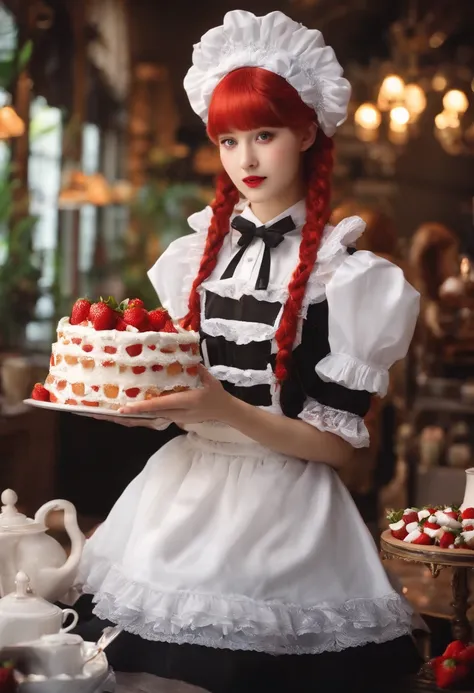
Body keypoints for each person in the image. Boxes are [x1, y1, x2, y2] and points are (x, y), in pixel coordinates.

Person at [75, 11, 421, 693]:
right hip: (175, 508)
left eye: (264, 134)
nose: (247, 159)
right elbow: (186, 402)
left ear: (307, 131)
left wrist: (224, 409)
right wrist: (142, 411)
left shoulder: (350, 280)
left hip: (290, 525)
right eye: (230, 139)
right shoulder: (190, 262)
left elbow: (339, 449)